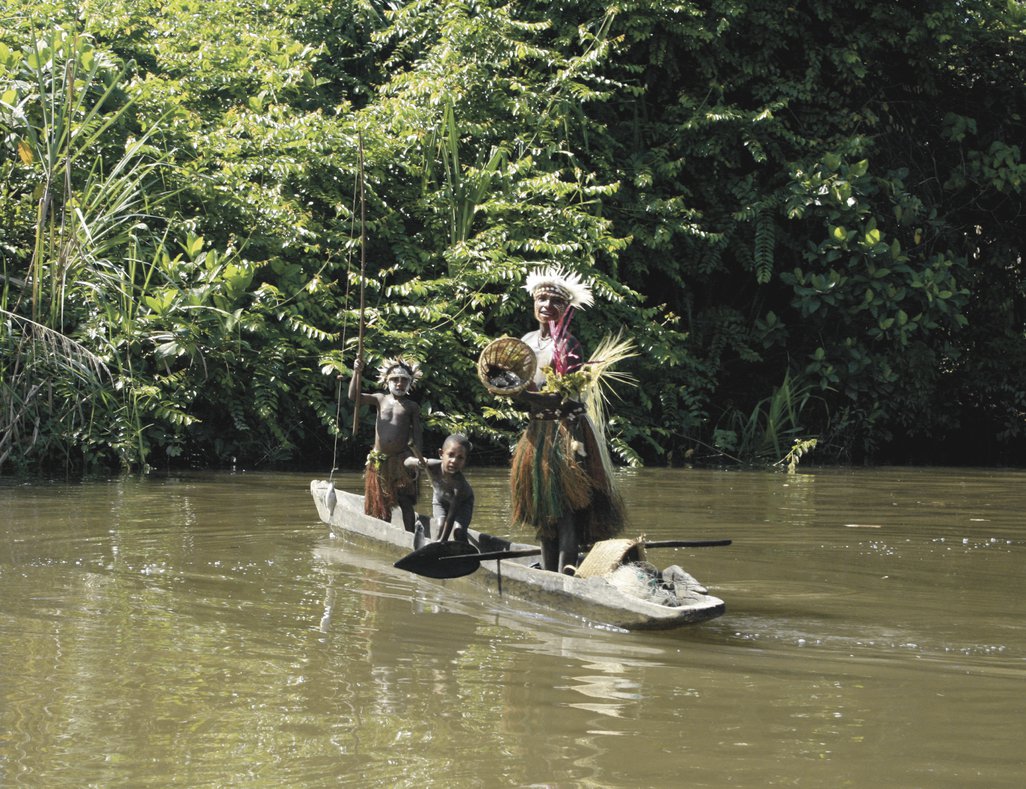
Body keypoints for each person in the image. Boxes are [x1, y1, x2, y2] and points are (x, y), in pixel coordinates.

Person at [509, 266, 625, 573]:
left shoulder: (568, 345)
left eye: (554, 301)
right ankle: (548, 576)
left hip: (565, 432)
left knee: (566, 512)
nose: (546, 305)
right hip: (537, 433)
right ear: (533, 304)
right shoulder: (527, 341)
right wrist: (512, 391)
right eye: (541, 299)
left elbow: (563, 396)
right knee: (544, 511)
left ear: (566, 308)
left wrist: (527, 396)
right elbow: (521, 385)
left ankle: (567, 575)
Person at [349, 356, 423, 532]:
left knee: (405, 501)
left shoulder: (411, 406)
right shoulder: (380, 399)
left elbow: (417, 434)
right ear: (387, 381)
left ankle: (410, 537)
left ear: (410, 383)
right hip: (380, 460)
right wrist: (356, 372)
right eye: (395, 379)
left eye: (404, 380)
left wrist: (418, 460)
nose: (399, 383)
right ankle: (386, 535)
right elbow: (354, 397)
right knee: (381, 502)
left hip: (402, 460)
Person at [405, 433, 475, 543]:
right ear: (441, 454)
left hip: (462, 505)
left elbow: (451, 516)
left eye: (460, 458)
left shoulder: (459, 485)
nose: (454, 461)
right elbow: (407, 461)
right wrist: (418, 462)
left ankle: (465, 551)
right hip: (440, 501)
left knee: (458, 532)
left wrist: (442, 541)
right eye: (450, 455)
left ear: (465, 461)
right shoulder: (432, 465)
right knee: (439, 526)